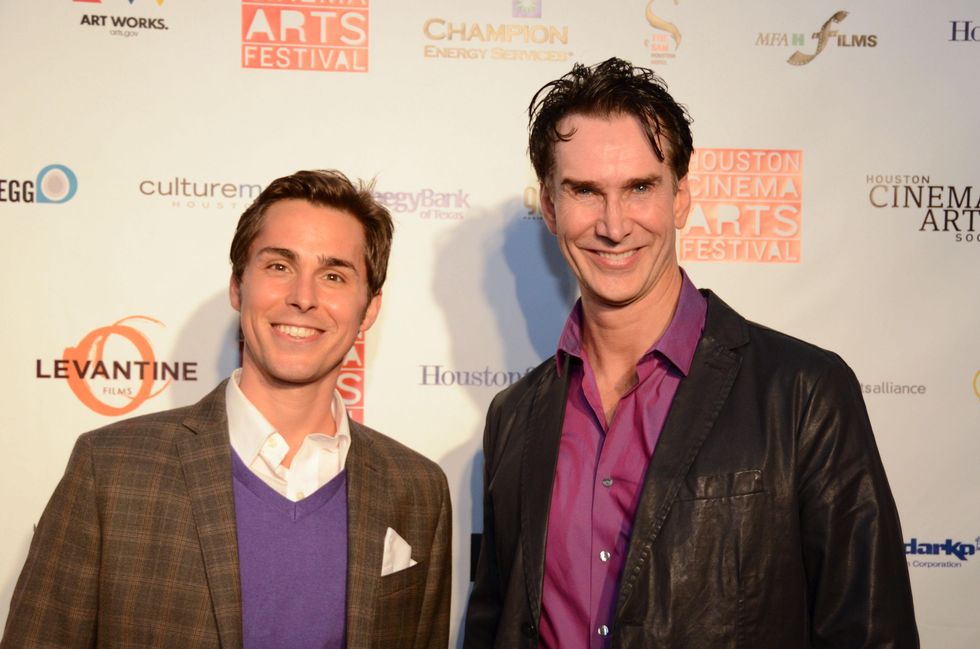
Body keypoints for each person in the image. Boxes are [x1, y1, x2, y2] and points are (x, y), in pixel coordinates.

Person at [464, 58, 917, 648]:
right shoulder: (514, 417)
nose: (614, 225)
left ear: (680, 198)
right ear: (549, 207)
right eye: (584, 191)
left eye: (640, 188)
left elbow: (872, 632)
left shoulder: (803, 394)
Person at [2, 170, 451, 649]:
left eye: (334, 276)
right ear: (238, 286)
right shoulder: (111, 470)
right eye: (279, 266)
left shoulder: (417, 489)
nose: (303, 297)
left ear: (369, 309)